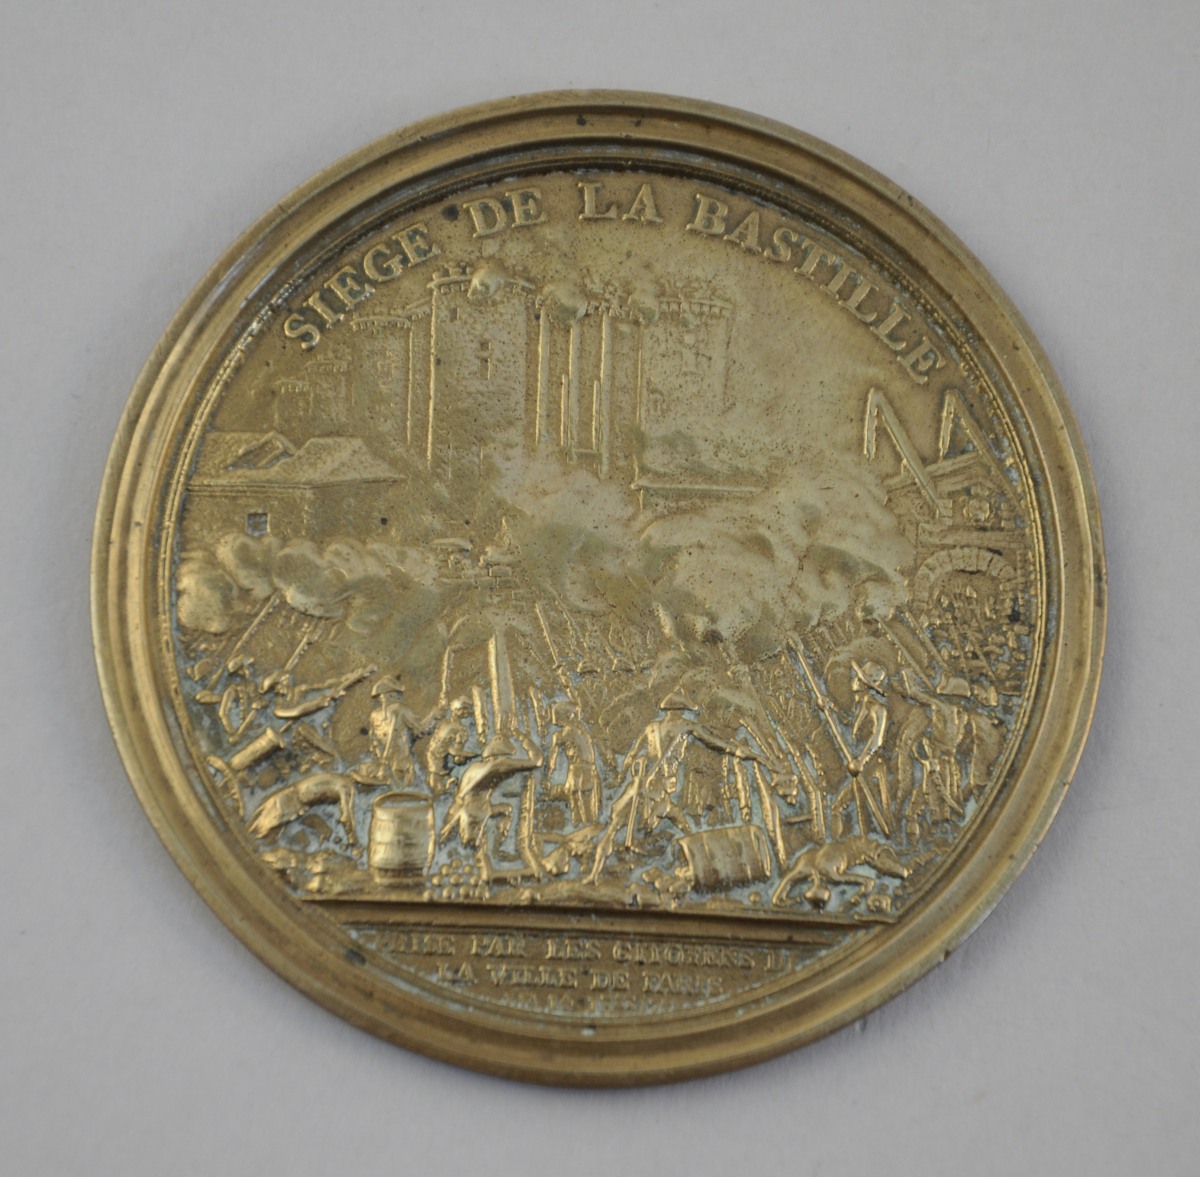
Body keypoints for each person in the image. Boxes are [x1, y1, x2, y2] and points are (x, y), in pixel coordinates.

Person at [438, 730, 543, 881]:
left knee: (505, 811)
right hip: (477, 810)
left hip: (465, 808)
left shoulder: (474, 767)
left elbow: (465, 791)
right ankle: (494, 858)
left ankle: (494, 854)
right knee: (474, 846)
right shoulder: (500, 764)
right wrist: (524, 739)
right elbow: (537, 761)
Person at [425, 698, 474, 795]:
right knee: (440, 790)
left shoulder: (443, 723)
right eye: (464, 709)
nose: (467, 711)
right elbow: (457, 757)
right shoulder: (461, 730)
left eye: (467, 709)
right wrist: (471, 755)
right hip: (439, 765)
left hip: (432, 758)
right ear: (457, 710)